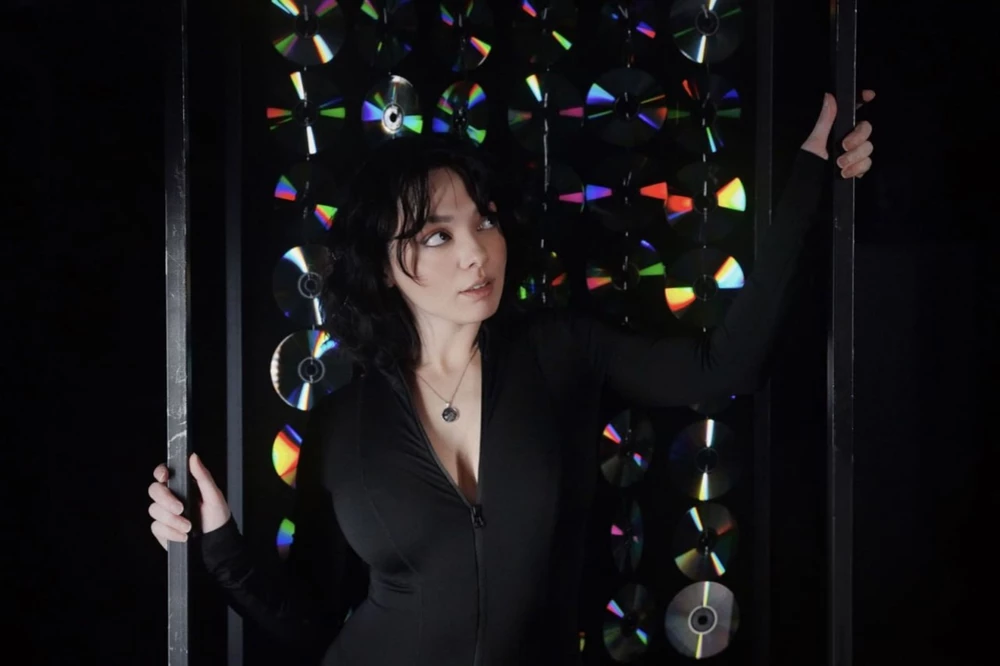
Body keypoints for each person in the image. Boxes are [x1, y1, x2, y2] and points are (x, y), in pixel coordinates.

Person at [148, 91, 875, 665]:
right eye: (438, 234)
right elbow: (312, 624)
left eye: (485, 221)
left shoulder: (558, 351)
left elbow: (727, 367)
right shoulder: (343, 423)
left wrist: (813, 170)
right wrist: (217, 543)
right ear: (382, 265)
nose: (476, 252)